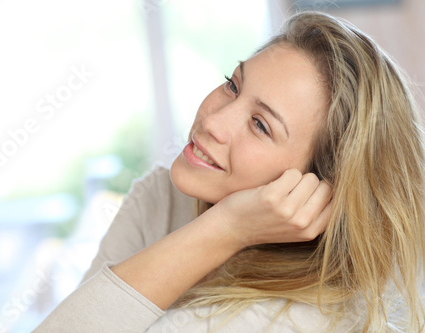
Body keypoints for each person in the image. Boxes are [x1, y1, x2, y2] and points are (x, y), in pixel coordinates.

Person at [33, 11, 425, 332]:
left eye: (260, 125)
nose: (214, 121)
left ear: (317, 190)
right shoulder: (162, 197)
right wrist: (226, 227)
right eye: (233, 86)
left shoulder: (284, 320)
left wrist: (228, 228)